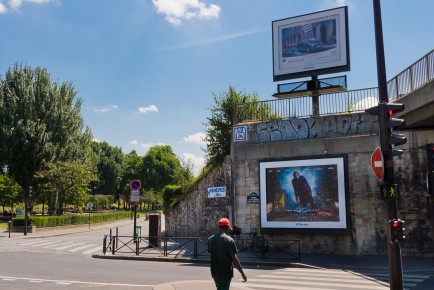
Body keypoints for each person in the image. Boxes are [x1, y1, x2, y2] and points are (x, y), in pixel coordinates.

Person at [208, 218, 247, 290]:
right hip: (225, 273)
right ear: (227, 227)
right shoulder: (229, 240)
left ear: (219, 227)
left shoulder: (210, 239)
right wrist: (242, 274)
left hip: (214, 272)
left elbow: (212, 253)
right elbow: (234, 259)